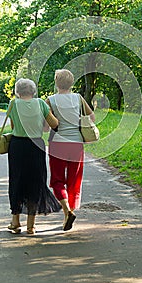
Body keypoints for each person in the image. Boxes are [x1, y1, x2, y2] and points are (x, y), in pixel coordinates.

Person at [7, 78, 61, 234]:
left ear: (18, 91)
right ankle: (31, 226)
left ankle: (15, 222)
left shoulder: (13, 104)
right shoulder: (41, 104)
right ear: (33, 91)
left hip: (17, 146)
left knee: (16, 181)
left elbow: (13, 126)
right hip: (36, 146)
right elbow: (54, 124)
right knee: (35, 182)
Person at [46, 69, 95, 231]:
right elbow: (92, 117)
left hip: (58, 143)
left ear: (56, 82)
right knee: (74, 180)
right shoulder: (78, 98)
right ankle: (70, 212)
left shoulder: (50, 100)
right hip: (76, 144)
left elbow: (47, 126)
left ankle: (67, 211)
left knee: (57, 180)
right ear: (71, 83)